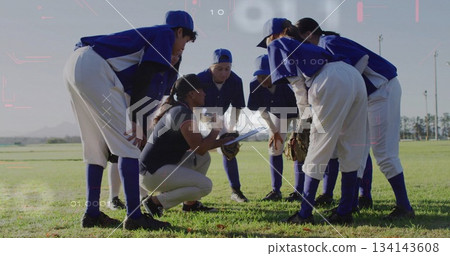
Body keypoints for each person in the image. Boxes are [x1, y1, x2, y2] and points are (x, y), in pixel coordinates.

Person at [64, 10, 196, 230]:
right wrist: (137, 121)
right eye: (186, 40)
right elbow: (147, 74)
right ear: (179, 32)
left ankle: (92, 213)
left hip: (77, 65)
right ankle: (134, 217)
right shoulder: (166, 34)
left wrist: (140, 121)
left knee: (96, 149)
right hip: (95, 67)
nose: (183, 47)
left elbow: (147, 91)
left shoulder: (150, 51)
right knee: (129, 143)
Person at [296, 17, 414, 219]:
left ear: (308, 34)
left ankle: (404, 206)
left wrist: (348, 91)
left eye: (300, 39)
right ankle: (350, 203)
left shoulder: (327, 42)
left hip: (382, 89)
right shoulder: (324, 46)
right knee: (357, 150)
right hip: (368, 96)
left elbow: (361, 60)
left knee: (384, 153)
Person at [258, 18, 367, 224]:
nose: (267, 45)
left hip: (328, 80)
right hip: (353, 76)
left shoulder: (277, 44)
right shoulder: (308, 43)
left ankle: (304, 213)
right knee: (351, 145)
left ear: (274, 34)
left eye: (266, 40)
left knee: (318, 148)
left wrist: (303, 124)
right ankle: (344, 211)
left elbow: (298, 87)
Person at [140, 74, 233, 216]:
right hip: (152, 175)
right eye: (202, 90)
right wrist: (216, 128)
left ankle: (191, 204)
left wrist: (224, 142)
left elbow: (200, 147)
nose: (204, 93)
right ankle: (155, 202)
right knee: (205, 186)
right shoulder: (182, 113)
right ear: (192, 94)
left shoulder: (181, 110)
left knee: (204, 158)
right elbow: (200, 148)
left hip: (154, 170)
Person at [247, 54, 304, 202]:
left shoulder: (287, 83)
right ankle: (276, 190)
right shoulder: (255, 85)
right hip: (278, 114)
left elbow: (302, 106)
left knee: (298, 148)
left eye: (266, 75)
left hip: (300, 113)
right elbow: (262, 110)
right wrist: (274, 132)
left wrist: (298, 133)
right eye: (260, 76)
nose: (263, 80)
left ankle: (299, 191)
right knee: (275, 146)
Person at [197, 49, 248, 202]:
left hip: (218, 116)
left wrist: (231, 129)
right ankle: (191, 194)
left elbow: (237, 106)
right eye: (219, 68)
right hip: (196, 114)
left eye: (227, 68)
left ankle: (236, 191)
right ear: (211, 67)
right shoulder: (200, 78)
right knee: (195, 150)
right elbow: (196, 108)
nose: (224, 73)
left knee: (229, 146)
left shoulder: (235, 80)